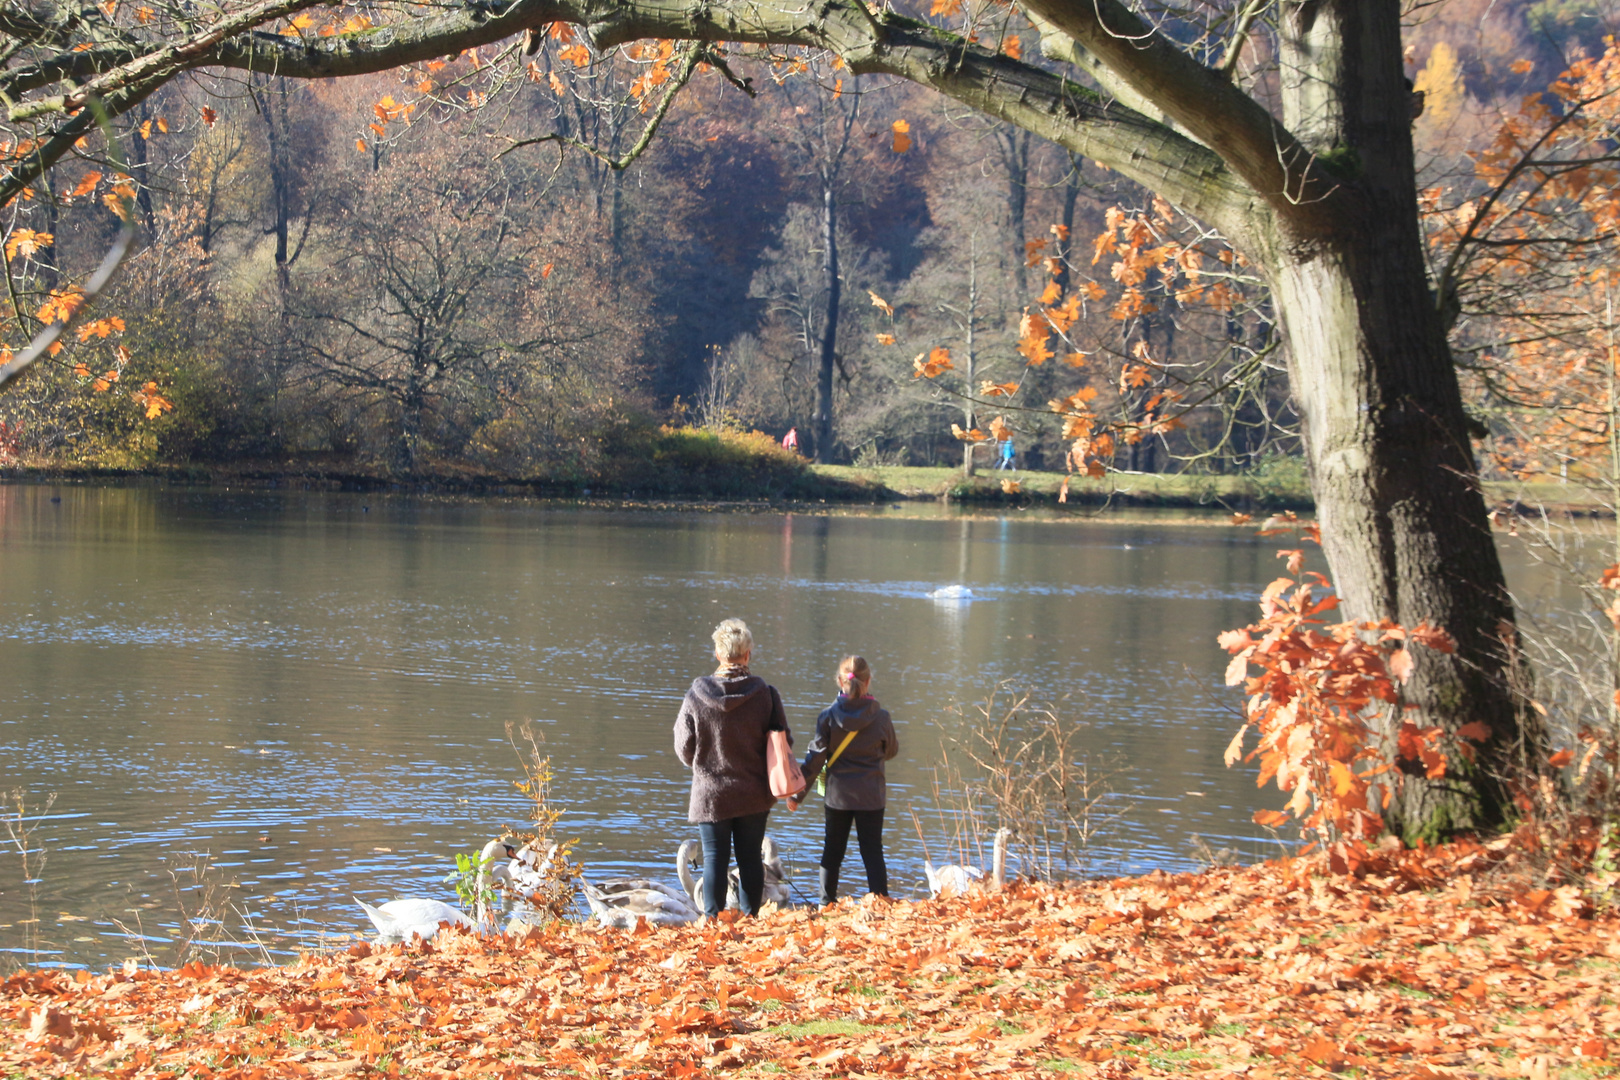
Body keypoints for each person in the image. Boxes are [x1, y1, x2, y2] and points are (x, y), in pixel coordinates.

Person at [674, 618, 792, 917]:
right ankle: (749, 919)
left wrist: (703, 765)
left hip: (710, 793)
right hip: (753, 792)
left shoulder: (696, 694)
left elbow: (683, 747)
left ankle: (712, 921)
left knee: (714, 858)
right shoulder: (765, 694)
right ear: (748, 654)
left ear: (718, 654)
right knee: (751, 858)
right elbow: (783, 742)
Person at [789, 656, 898, 905]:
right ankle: (881, 904)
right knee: (872, 852)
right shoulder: (882, 717)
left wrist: (797, 794)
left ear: (839, 681)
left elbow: (814, 761)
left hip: (838, 797)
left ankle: (826, 905)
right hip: (872, 796)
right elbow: (891, 751)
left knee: (832, 852)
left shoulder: (827, 717)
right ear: (868, 681)